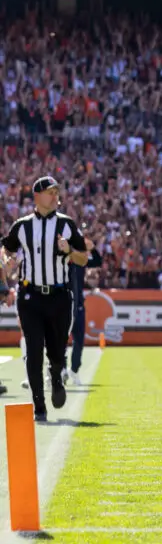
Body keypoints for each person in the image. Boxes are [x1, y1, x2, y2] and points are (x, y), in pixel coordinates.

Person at [0, 177, 90, 422]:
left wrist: (68, 251)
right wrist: (5, 272)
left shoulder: (67, 224)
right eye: (50, 192)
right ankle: (38, 405)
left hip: (59, 296)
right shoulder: (21, 226)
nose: (55, 196)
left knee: (57, 351)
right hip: (30, 296)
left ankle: (57, 373)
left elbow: (84, 258)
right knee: (34, 349)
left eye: (56, 192)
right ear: (37, 196)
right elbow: (5, 251)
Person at [63, 236, 102, 386]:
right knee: (60, 341)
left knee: (79, 341)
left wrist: (92, 248)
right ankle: (60, 370)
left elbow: (97, 262)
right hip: (64, 306)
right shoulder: (60, 262)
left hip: (78, 306)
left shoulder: (80, 262)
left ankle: (74, 369)